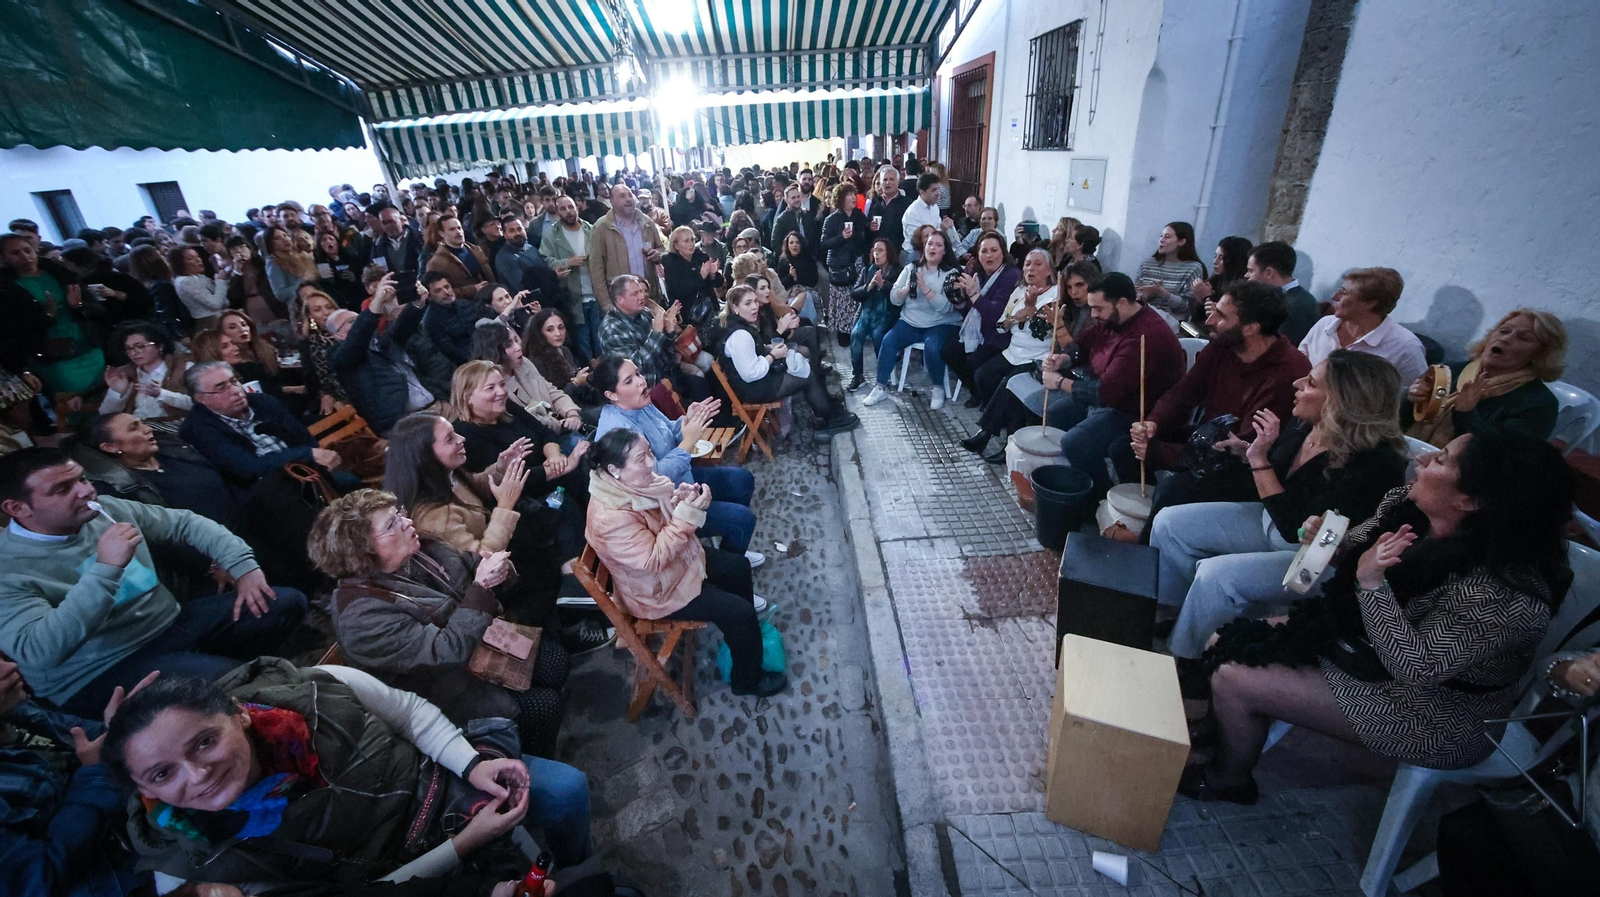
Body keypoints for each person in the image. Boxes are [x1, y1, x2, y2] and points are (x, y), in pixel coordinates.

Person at [1183, 431, 1575, 803]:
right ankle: (1219, 733)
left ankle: (1229, 780)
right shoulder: (1408, 507)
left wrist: (1372, 584)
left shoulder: (1504, 593)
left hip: (1434, 711)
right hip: (1365, 645)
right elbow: (1348, 546)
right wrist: (1322, 536)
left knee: (1236, 676)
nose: (1421, 460)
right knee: (1223, 639)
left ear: (1471, 500)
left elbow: (1417, 670)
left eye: (1440, 459)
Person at [103, 659, 592, 887]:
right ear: (143, 787)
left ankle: (570, 863)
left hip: (440, 783)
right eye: (164, 774)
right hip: (411, 871)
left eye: (205, 741)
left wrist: (473, 763)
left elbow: (408, 713)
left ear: (240, 713)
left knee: (567, 789)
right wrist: (462, 845)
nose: (198, 775)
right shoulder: (198, 868)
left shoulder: (320, 690)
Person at [0, 447, 307, 717]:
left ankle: (209, 678)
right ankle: (216, 686)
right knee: (232, 681)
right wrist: (106, 567)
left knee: (285, 603)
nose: (85, 491)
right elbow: (38, 650)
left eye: (82, 478)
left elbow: (184, 524)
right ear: (17, 508)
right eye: (62, 488)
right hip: (100, 670)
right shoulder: (8, 569)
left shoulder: (107, 508)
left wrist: (243, 567)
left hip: (166, 625)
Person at [1151, 351, 1410, 664]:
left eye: (1311, 383)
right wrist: (1250, 453)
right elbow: (1281, 481)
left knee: (1216, 576)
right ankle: (1174, 614)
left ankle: (1185, 660)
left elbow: (1296, 529)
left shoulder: (1376, 463)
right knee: (1169, 523)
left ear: (1341, 401)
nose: (1298, 383)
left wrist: (1259, 461)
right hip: (1272, 521)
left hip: (1317, 561)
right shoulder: (1308, 424)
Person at [308, 487, 574, 754]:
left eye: (398, 513)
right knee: (545, 705)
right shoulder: (360, 617)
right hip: (444, 695)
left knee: (557, 661)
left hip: (481, 652)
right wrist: (481, 588)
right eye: (392, 524)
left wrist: (499, 572)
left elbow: (470, 566)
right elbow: (445, 651)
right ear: (361, 553)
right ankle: (521, 765)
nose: (407, 522)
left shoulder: (422, 549)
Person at [586, 428, 786, 697]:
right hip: (657, 591)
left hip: (677, 565)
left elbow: (661, 515)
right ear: (614, 469)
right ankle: (746, 680)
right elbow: (651, 560)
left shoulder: (631, 483)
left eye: (649, 452)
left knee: (738, 568)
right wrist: (687, 514)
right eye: (640, 458)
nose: (651, 462)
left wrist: (681, 499)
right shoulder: (609, 517)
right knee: (738, 611)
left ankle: (743, 639)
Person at [1116, 280, 1312, 522]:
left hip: (1244, 464)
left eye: (1220, 316)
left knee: (1173, 491)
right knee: (1124, 447)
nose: (1208, 321)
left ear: (1251, 328)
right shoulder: (1223, 346)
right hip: (1209, 438)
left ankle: (1148, 544)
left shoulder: (1288, 371)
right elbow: (1183, 393)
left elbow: (1239, 447)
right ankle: (1142, 518)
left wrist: (1160, 453)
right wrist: (1153, 423)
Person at [963, 272, 1186, 483]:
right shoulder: (1113, 319)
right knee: (1054, 413)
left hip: (1139, 411)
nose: (1094, 315)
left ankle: (1098, 495)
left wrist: (1060, 382)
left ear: (1123, 302)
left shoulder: (1142, 337)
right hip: (1112, 395)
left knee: (1075, 443)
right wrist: (1063, 358)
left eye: (1099, 309)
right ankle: (1072, 474)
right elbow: (1081, 345)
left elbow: (1104, 394)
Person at [593, 357, 766, 568]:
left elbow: (669, 431)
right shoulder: (617, 432)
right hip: (665, 506)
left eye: (638, 374)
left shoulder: (640, 403)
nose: (641, 381)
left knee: (743, 480)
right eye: (628, 381)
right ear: (611, 395)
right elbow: (653, 477)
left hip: (682, 478)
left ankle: (730, 553)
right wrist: (689, 441)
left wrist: (687, 420)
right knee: (743, 519)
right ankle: (729, 567)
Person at [0, 657, 150, 897]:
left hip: (138, 814)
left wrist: (119, 727)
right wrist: (95, 770)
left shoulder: (14, 709)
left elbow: (89, 737)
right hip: (119, 879)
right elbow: (40, 878)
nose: (11, 666)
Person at [446, 361, 589, 565]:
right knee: (565, 506)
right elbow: (510, 482)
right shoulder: (466, 434)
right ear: (467, 397)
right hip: (523, 499)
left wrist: (555, 457)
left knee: (590, 473)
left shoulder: (508, 409)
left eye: (502, 385)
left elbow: (545, 433)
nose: (501, 392)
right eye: (491, 388)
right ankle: (576, 580)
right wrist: (562, 467)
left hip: (552, 476)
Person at [1404, 308, 1565, 446]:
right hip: (1407, 454)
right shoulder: (1450, 370)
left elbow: (1504, 456)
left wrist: (1466, 414)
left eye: (1523, 338)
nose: (1506, 339)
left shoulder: (1539, 404)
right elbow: (1397, 422)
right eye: (1504, 331)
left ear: (1540, 354)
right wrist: (1410, 399)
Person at [180, 361, 347, 488]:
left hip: (306, 471)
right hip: (265, 492)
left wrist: (309, 459)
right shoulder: (199, 429)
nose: (235, 390)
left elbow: (304, 438)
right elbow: (248, 468)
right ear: (201, 399)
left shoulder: (263, 401)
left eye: (234, 381)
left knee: (348, 483)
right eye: (222, 387)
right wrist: (306, 454)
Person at [718, 286, 859, 433]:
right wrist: (772, 356)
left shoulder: (740, 326)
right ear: (735, 308)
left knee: (804, 368)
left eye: (754, 301)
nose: (754, 307)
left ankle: (827, 409)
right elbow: (750, 374)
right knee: (806, 377)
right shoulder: (740, 335)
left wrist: (770, 351)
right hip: (753, 389)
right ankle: (830, 418)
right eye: (747, 303)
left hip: (755, 382)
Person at [329, 272, 440, 435]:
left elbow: (402, 326)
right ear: (338, 335)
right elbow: (357, 339)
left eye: (358, 318)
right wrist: (376, 303)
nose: (361, 321)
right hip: (404, 423)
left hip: (436, 405)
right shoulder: (339, 356)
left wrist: (418, 302)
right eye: (353, 321)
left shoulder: (380, 341)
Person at [863, 229, 962, 410]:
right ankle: (880, 386)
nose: (933, 247)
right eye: (930, 243)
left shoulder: (951, 273)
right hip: (910, 321)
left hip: (940, 323)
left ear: (944, 251)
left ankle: (938, 387)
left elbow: (945, 307)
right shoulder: (911, 268)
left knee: (933, 347)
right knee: (888, 340)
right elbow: (894, 298)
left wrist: (924, 288)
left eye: (938, 245)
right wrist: (908, 288)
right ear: (924, 247)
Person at [0, 233, 106, 400]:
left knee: (111, 397)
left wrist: (78, 305)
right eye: (15, 253)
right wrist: (47, 315)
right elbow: (12, 332)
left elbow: (97, 309)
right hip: (54, 356)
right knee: (76, 404)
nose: (25, 256)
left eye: (27, 250)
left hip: (88, 344)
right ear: (3, 257)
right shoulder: (7, 289)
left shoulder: (59, 272)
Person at [1297, 266, 1427, 388]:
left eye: (1344, 292)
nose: (1334, 297)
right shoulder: (1324, 324)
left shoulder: (1406, 347)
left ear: (1369, 303)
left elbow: (1413, 398)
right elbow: (1300, 365)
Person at [971, 247, 1058, 409]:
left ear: (1048, 271)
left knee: (1009, 384)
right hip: (1013, 351)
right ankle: (996, 413)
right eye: (1027, 264)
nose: (1031, 268)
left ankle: (996, 421)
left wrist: (1031, 309)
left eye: (1038, 264)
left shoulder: (1055, 294)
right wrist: (1014, 319)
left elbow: (1044, 332)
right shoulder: (1019, 291)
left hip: (1037, 355)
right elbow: (1001, 326)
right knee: (982, 375)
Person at [597, 273, 705, 397]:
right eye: (635, 294)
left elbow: (665, 350)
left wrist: (669, 332)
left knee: (703, 388)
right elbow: (636, 366)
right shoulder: (611, 329)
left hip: (669, 374)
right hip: (647, 387)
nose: (642, 296)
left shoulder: (644, 313)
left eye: (641, 292)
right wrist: (656, 334)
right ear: (620, 300)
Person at [471, 319, 583, 435]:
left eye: (516, 340)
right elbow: (527, 419)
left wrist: (572, 413)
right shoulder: (496, 386)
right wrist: (561, 424)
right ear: (494, 350)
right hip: (542, 438)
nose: (518, 347)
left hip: (562, 423)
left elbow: (551, 391)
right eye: (509, 344)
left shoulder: (524, 363)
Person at [539, 195, 600, 362]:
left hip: (596, 293)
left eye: (570, 207)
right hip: (573, 298)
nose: (568, 212)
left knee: (599, 340)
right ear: (557, 212)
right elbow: (545, 260)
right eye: (563, 209)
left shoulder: (590, 229)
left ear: (577, 207)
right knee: (583, 344)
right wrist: (567, 262)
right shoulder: (552, 235)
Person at [589, 184, 667, 313]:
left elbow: (661, 248)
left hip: (648, 297)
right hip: (621, 302)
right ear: (612, 201)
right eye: (622, 196)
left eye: (630, 195)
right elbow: (596, 268)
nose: (628, 199)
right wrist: (606, 303)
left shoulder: (647, 223)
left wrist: (657, 254)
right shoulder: (602, 227)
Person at [97, 321, 191, 422]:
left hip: (172, 428)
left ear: (160, 346)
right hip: (136, 428)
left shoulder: (184, 368)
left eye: (140, 346)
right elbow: (105, 415)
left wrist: (162, 394)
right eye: (128, 349)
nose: (133, 353)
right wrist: (117, 392)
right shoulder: (126, 373)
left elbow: (200, 404)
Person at [845, 238, 902, 392]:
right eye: (874, 250)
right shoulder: (867, 270)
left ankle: (883, 376)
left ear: (888, 253)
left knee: (878, 335)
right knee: (856, 335)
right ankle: (858, 375)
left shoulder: (897, 271)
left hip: (887, 315)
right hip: (866, 314)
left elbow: (900, 298)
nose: (876, 254)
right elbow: (854, 293)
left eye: (880, 250)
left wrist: (884, 285)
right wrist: (868, 286)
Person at [1245, 241, 1321, 345]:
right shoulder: (1273, 297)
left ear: (1269, 273)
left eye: (1250, 271)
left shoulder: (1298, 305)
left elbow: (1273, 347)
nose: (1246, 275)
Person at [1134, 221, 1207, 329]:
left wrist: (1161, 292)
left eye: (1167, 237)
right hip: (1143, 318)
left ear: (1181, 242)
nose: (1161, 240)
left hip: (1173, 325)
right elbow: (1136, 296)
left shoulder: (1193, 268)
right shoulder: (1148, 264)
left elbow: (1187, 307)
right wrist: (1143, 296)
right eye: (1161, 236)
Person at [820, 182, 867, 345]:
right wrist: (841, 237)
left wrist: (871, 230)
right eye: (849, 194)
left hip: (857, 262)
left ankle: (857, 329)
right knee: (842, 301)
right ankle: (843, 332)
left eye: (854, 194)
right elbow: (824, 244)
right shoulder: (832, 219)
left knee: (857, 299)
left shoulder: (859, 216)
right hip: (839, 265)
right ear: (841, 198)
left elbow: (865, 238)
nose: (853, 197)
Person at [420, 270, 494, 366]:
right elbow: (452, 353)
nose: (446, 292)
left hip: (490, 351)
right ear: (429, 296)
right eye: (438, 291)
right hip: (472, 364)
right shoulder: (431, 322)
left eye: (447, 287)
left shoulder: (465, 304)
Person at [299, 291, 352, 416]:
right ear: (310, 316)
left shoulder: (350, 328)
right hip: (338, 396)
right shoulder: (309, 342)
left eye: (329, 307)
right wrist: (326, 394)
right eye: (318, 309)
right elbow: (311, 378)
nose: (326, 312)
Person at [662, 225, 723, 330]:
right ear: (676, 245)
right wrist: (701, 277)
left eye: (692, 240)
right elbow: (679, 291)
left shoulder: (701, 256)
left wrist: (713, 274)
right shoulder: (671, 263)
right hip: (689, 314)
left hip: (710, 309)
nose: (691, 244)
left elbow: (718, 283)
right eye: (686, 241)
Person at [125, 245, 193, 339]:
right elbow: (166, 314)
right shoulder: (160, 286)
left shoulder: (142, 285)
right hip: (176, 335)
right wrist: (182, 335)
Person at [1188, 236, 1252, 331]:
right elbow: (1196, 319)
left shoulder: (1242, 287)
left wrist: (1207, 297)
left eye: (1221, 257)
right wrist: (1199, 299)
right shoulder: (1214, 281)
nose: (1215, 262)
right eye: (1215, 256)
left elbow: (1221, 320)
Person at [423, 215, 492, 295]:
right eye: (452, 229)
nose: (458, 232)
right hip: (465, 304)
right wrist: (472, 290)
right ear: (442, 233)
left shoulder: (476, 250)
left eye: (459, 228)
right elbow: (438, 293)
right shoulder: (436, 263)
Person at [899, 173, 956, 267]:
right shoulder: (913, 212)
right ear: (922, 192)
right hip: (914, 253)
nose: (938, 193)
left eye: (938, 189)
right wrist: (941, 229)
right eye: (933, 190)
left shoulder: (934, 207)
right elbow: (918, 242)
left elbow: (937, 228)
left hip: (931, 250)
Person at [368, 205, 426, 296]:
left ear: (402, 221)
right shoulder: (377, 246)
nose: (388, 226)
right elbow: (376, 269)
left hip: (421, 288)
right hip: (395, 293)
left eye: (391, 221)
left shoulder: (421, 239)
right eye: (384, 223)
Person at [168, 245, 231, 329]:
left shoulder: (198, 277)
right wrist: (220, 281)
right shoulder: (185, 281)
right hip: (211, 323)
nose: (198, 260)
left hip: (219, 318)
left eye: (197, 256)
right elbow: (215, 304)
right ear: (180, 264)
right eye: (190, 259)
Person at [262, 225, 317, 311]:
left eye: (285, 235)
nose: (284, 239)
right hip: (300, 307)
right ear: (271, 244)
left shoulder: (302, 254)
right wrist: (303, 281)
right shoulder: (274, 262)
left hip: (319, 298)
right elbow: (280, 294)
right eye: (277, 238)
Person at [863, 167, 911, 265]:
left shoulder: (906, 203)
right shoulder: (875, 202)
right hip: (878, 253)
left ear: (898, 182)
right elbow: (866, 223)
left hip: (897, 251)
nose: (888, 182)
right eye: (885, 180)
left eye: (891, 179)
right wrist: (869, 226)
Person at [774, 230, 819, 322]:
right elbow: (782, 284)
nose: (794, 245)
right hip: (789, 292)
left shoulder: (809, 259)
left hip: (807, 290)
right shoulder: (783, 261)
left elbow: (813, 280)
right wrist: (791, 276)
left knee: (807, 298)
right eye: (791, 242)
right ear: (787, 245)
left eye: (797, 242)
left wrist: (798, 277)